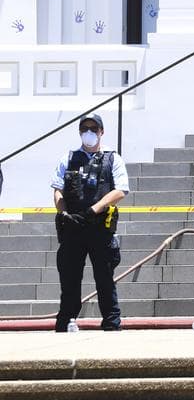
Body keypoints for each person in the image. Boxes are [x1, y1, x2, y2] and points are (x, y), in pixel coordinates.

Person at [51, 113, 129, 332]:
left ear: (101, 132)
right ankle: (64, 323)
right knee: (69, 282)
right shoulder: (67, 158)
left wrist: (94, 210)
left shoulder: (112, 158)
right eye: (85, 128)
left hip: (99, 228)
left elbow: (121, 190)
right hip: (73, 229)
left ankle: (112, 325)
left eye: (94, 128)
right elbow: (57, 190)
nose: (89, 132)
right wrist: (64, 214)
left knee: (104, 279)